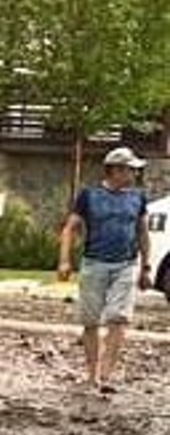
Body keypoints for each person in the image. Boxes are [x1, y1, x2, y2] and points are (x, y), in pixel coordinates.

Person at [58, 146, 152, 394]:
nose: (134, 174)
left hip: (126, 265)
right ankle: (92, 375)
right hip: (94, 264)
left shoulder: (138, 198)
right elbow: (70, 228)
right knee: (91, 321)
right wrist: (64, 260)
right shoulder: (89, 196)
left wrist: (146, 267)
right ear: (116, 170)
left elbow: (142, 232)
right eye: (131, 169)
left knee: (119, 318)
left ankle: (106, 374)